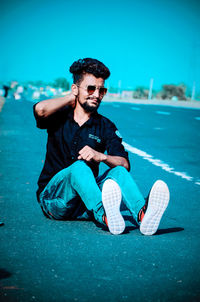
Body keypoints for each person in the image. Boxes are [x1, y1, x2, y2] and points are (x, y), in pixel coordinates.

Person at [33, 58, 170, 235]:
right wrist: (71, 98)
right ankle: (105, 214)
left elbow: (124, 165)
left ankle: (143, 215)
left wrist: (101, 156)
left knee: (118, 172)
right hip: (54, 199)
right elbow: (40, 110)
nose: (96, 95)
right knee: (79, 168)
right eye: (90, 88)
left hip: (83, 203)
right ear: (75, 88)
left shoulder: (105, 125)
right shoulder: (58, 115)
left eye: (101, 90)